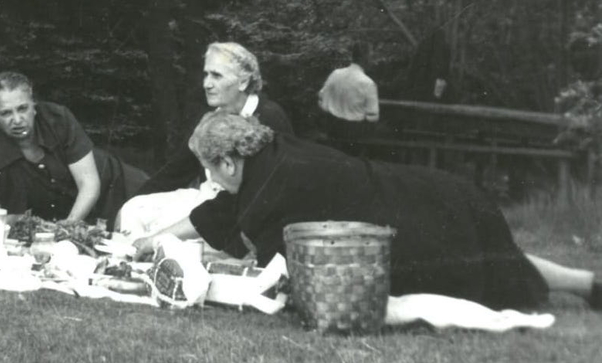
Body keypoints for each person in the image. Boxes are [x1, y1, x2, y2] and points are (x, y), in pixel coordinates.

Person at [134, 111, 602, 312]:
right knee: (496, 258)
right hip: (433, 196)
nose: (210, 180)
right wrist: (149, 242)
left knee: (484, 273)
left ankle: (585, 285)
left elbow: (271, 265)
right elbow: (218, 209)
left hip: (418, 216)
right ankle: (587, 284)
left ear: (228, 161)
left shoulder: (273, 184)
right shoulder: (270, 154)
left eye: (210, 170)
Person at [115, 42, 292, 238]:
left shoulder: (270, 118)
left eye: (216, 75)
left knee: (167, 236)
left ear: (243, 82)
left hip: (239, 214)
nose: (206, 84)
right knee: (133, 210)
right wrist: (130, 203)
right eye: (206, 74)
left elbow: (276, 190)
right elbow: (174, 172)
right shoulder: (209, 119)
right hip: (205, 199)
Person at [0, 71, 148, 228]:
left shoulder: (58, 119)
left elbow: (89, 184)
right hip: (75, 220)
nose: (17, 120)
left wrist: (67, 228)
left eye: (23, 108)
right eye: (6, 113)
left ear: (34, 106)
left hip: (126, 193)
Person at [317, 41, 379, 156]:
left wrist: (332, 109)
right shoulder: (368, 83)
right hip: (354, 134)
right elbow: (373, 116)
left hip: (333, 129)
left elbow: (321, 98)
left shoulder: (335, 74)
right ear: (365, 58)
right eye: (371, 55)